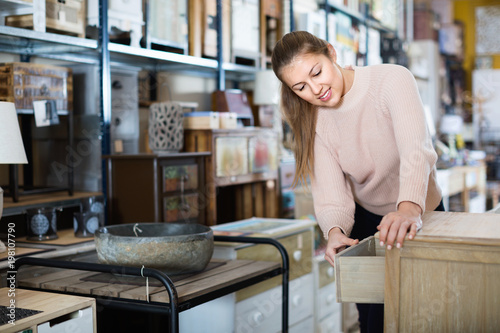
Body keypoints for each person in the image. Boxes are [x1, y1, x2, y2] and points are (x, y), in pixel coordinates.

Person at [271, 31, 444, 332]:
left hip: (422, 213)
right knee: (375, 322)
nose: (316, 89)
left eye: (317, 72)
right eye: (301, 87)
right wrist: (335, 232)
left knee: (430, 315)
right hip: (367, 224)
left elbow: (416, 151)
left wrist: (407, 210)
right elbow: (330, 191)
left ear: (331, 53)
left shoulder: (392, 80)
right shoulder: (315, 120)